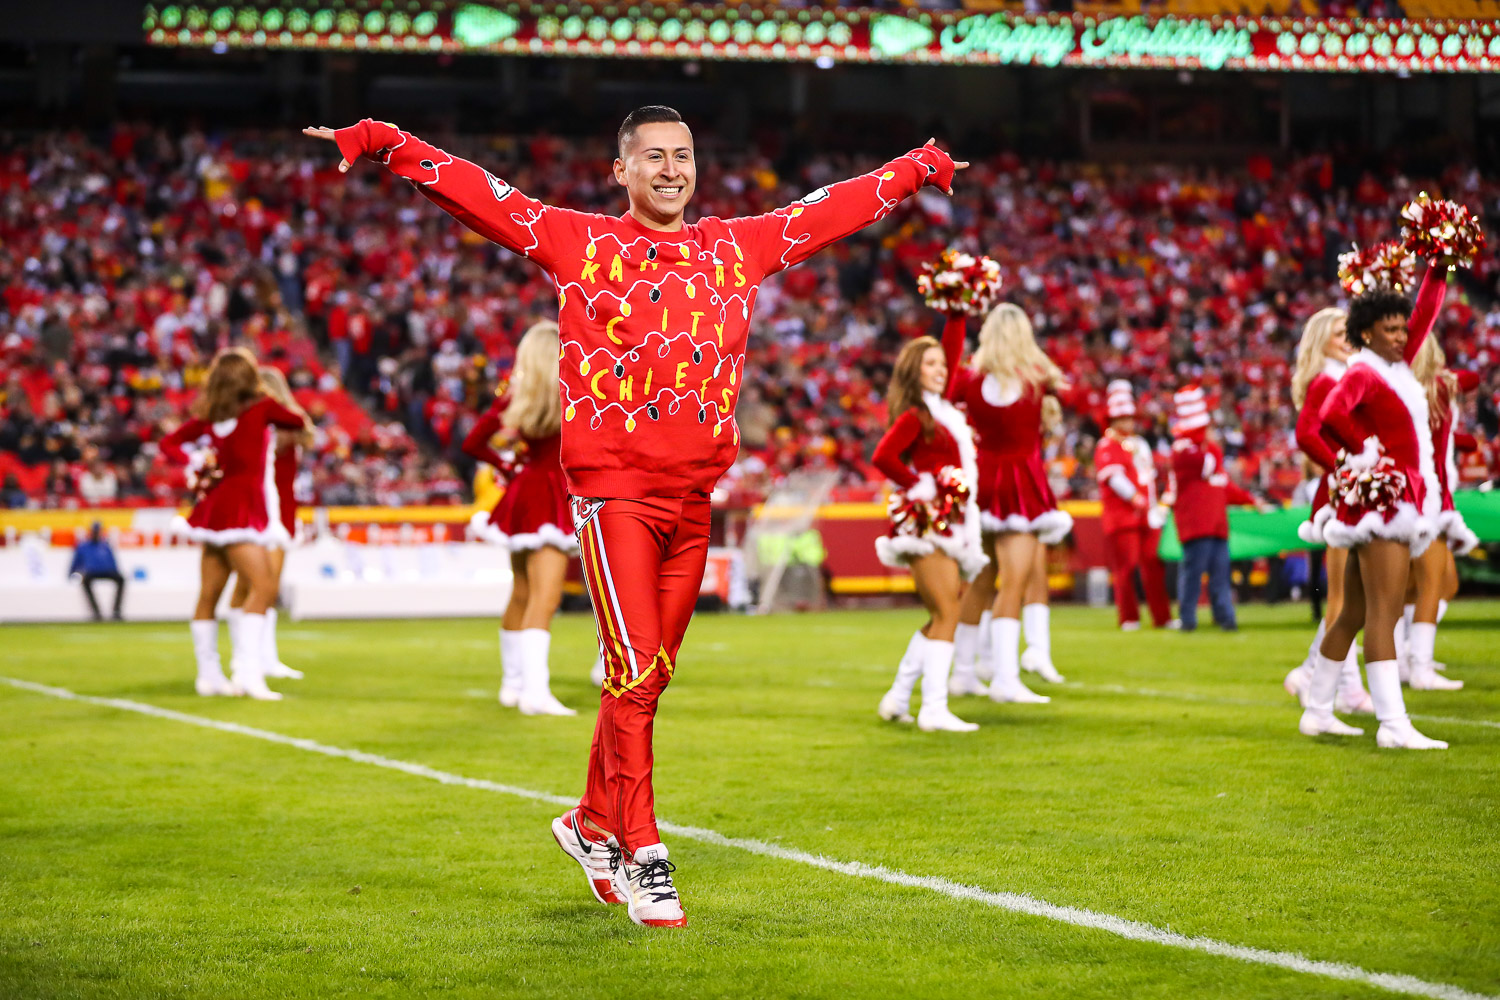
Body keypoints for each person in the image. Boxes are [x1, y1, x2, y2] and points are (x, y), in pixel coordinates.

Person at [308, 107, 964, 927]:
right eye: (652, 156)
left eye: (682, 155)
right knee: (634, 670)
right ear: (620, 170)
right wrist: (380, 139)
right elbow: (480, 196)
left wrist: (916, 164)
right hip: (614, 493)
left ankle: (590, 825)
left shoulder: (737, 247)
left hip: (695, 501)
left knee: (646, 674)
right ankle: (645, 854)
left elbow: (829, 209)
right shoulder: (579, 242)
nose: (669, 168)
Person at [1302, 265, 1449, 749]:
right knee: (1383, 614)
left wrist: (1439, 264)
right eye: (1389, 329)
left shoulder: (1395, 364)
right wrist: (1364, 450)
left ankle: (1318, 711)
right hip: (1386, 501)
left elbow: (1424, 311)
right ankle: (1393, 724)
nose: (1401, 335)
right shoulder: (1364, 370)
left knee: (1353, 614)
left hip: (1387, 500)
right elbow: (1329, 415)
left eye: (1401, 328)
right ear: (1366, 332)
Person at [159, 347, 311, 700]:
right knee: (264, 587)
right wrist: (265, 394)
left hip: (212, 510)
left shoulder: (210, 417)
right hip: (241, 513)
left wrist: (194, 457)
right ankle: (247, 673)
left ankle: (208, 675)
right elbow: (297, 420)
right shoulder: (261, 409)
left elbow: (169, 443)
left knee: (209, 596)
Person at [943, 304, 1068, 702]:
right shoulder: (1038, 378)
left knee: (979, 583)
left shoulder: (969, 379)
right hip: (1022, 485)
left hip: (982, 483)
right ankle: (1005, 679)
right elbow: (1069, 392)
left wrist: (956, 321)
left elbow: (946, 386)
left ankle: (962, 673)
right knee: (1013, 583)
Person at [461, 320, 580, 716]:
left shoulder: (516, 395)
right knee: (544, 598)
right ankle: (535, 692)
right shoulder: (574, 391)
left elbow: (473, 441)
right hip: (551, 495)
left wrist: (508, 467)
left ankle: (512, 684)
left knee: (523, 591)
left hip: (523, 492)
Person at [870, 336, 985, 733]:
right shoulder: (916, 416)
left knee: (941, 613)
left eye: (942, 364)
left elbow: (954, 355)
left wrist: (957, 306)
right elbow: (882, 456)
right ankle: (933, 709)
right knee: (948, 612)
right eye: (931, 364)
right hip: (927, 524)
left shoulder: (942, 411)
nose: (941, 371)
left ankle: (898, 698)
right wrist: (920, 487)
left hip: (951, 523)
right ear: (915, 371)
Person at [1284, 308, 1372, 713]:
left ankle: (1311, 672)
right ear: (1321, 339)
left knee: (1352, 596)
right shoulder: (1327, 379)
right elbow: (1305, 433)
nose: (1348, 337)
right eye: (1339, 332)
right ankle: (1344, 690)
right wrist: (1343, 467)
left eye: (1349, 330)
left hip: (1349, 492)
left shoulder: (1344, 376)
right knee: (1343, 599)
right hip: (1340, 496)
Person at [226, 366, 312, 683]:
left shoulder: (279, 423)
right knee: (258, 586)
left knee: (263, 586)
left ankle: (262, 658)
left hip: (277, 509)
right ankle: (249, 659)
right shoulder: (260, 422)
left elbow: (291, 439)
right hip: (262, 511)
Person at [1402, 337, 1477, 691]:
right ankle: (1419, 665)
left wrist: (1462, 443)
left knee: (1423, 585)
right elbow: (1472, 378)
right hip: (1428, 498)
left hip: (1405, 495)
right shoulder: (1437, 387)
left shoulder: (1401, 389)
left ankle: (1406, 656)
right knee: (1433, 584)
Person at [1167, 386, 1260, 632]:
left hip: (1217, 525)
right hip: (1196, 525)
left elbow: (1224, 487)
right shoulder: (1184, 452)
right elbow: (1206, 466)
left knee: (1220, 578)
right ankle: (1187, 620)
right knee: (1192, 577)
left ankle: (1226, 619)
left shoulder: (1207, 452)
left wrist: (1251, 500)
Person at [1093, 380, 1176, 631]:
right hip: (1123, 516)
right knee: (1126, 569)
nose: (1129, 422)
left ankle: (1162, 617)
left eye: (1130, 417)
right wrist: (1137, 500)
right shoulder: (1106, 445)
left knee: (1154, 566)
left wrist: (1154, 506)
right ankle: (1129, 617)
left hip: (1146, 515)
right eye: (1124, 417)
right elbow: (1116, 479)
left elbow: (1149, 476)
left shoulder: (1139, 443)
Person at [69, 521, 125, 621]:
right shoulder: (83, 546)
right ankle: (96, 612)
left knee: (121, 579)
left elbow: (113, 560)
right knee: (85, 581)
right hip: (91, 572)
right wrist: (71, 573)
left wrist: (115, 570)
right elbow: (76, 561)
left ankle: (116, 611)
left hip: (107, 571)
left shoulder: (105, 545)